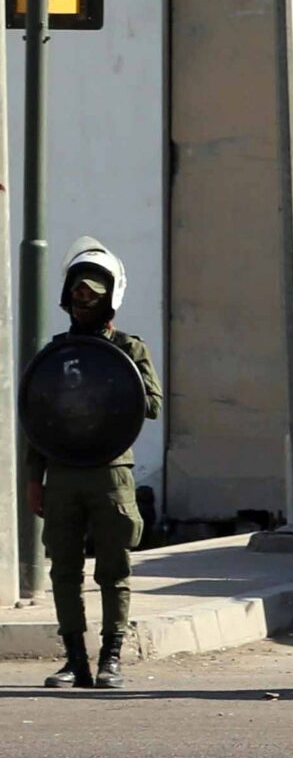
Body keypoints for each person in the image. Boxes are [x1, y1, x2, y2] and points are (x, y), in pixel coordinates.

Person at [31, 239, 162, 690]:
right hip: (63, 472)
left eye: (92, 293)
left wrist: (115, 375)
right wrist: (35, 480)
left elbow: (154, 405)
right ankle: (74, 661)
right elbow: (38, 418)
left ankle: (111, 658)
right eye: (77, 293)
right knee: (64, 571)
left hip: (110, 472)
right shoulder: (55, 353)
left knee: (114, 569)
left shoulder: (129, 348)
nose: (83, 301)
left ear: (110, 297)